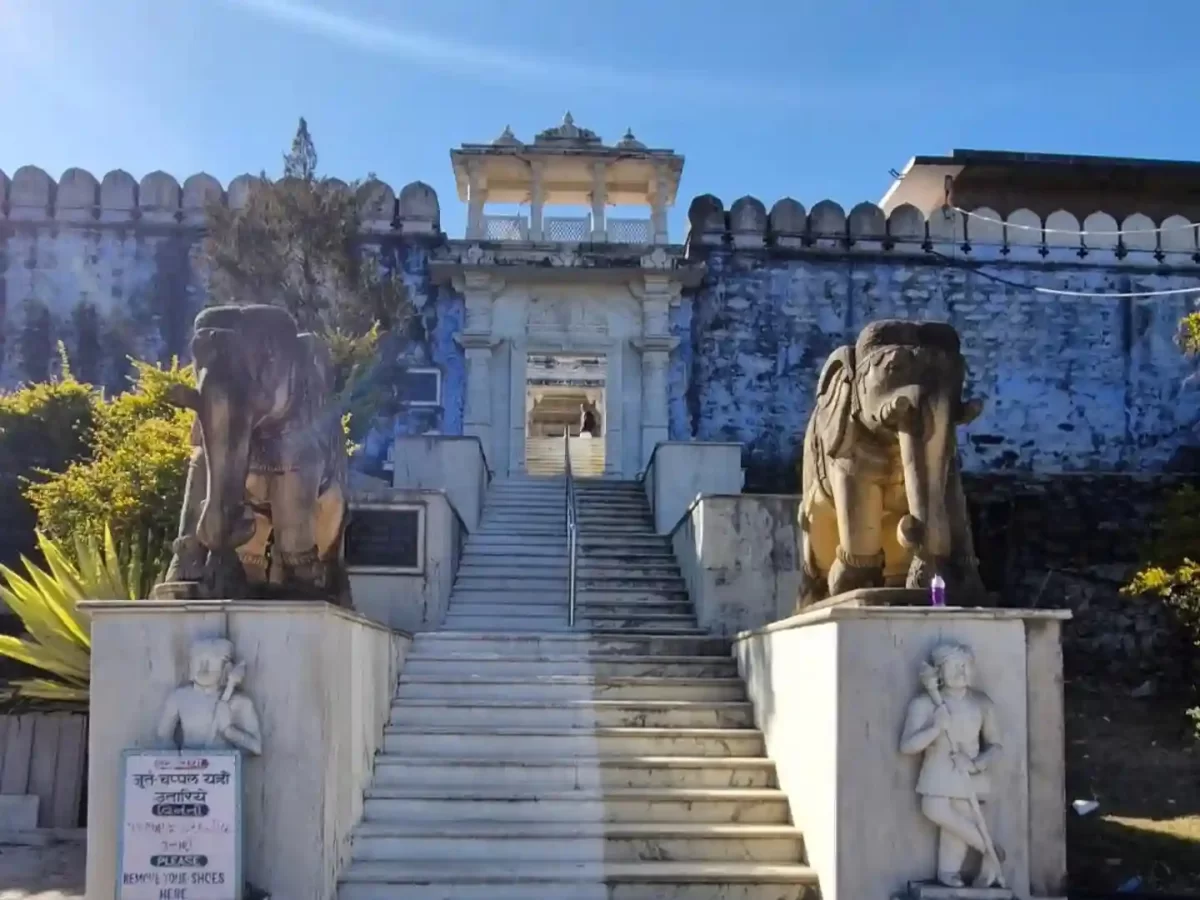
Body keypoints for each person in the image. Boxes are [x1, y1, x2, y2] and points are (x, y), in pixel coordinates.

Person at [899, 643, 1004, 888]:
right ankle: (990, 850)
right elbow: (907, 746)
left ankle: (949, 872)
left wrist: (975, 764)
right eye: (954, 666)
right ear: (939, 671)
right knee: (934, 809)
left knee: (955, 830)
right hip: (937, 772)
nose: (962, 672)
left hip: (968, 772)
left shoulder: (982, 703)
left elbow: (996, 745)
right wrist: (935, 728)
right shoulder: (924, 703)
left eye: (966, 666)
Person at [156, 637, 262, 755]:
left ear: (226, 668)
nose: (203, 668)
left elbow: (256, 747)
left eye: (211, 662)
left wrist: (228, 730)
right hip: (188, 766)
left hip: (222, 767)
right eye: (198, 661)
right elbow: (163, 736)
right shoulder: (179, 697)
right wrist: (173, 761)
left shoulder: (239, 701)